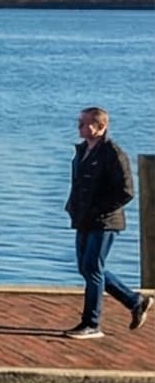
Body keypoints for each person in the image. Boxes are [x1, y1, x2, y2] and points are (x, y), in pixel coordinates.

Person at [63, 105, 144, 339]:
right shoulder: (82, 151)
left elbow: (126, 191)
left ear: (100, 127)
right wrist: (73, 208)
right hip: (83, 219)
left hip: (105, 221)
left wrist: (100, 210)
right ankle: (134, 300)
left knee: (92, 268)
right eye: (79, 122)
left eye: (84, 123)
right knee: (86, 268)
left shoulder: (112, 153)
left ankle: (92, 323)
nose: (79, 126)